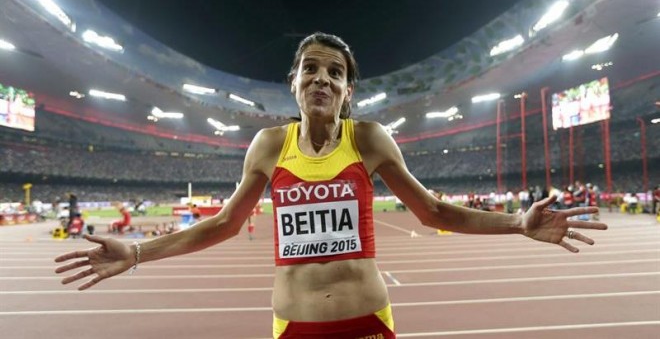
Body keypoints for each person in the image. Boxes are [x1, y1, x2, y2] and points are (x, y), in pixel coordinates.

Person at [54, 32, 607, 339]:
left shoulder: (368, 138)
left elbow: (435, 212)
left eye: (335, 72)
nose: (322, 77)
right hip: (295, 326)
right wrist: (137, 253)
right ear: (293, 83)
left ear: (347, 92)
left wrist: (516, 222)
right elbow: (224, 224)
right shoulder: (270, 146)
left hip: (367, 320)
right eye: (311, 69)